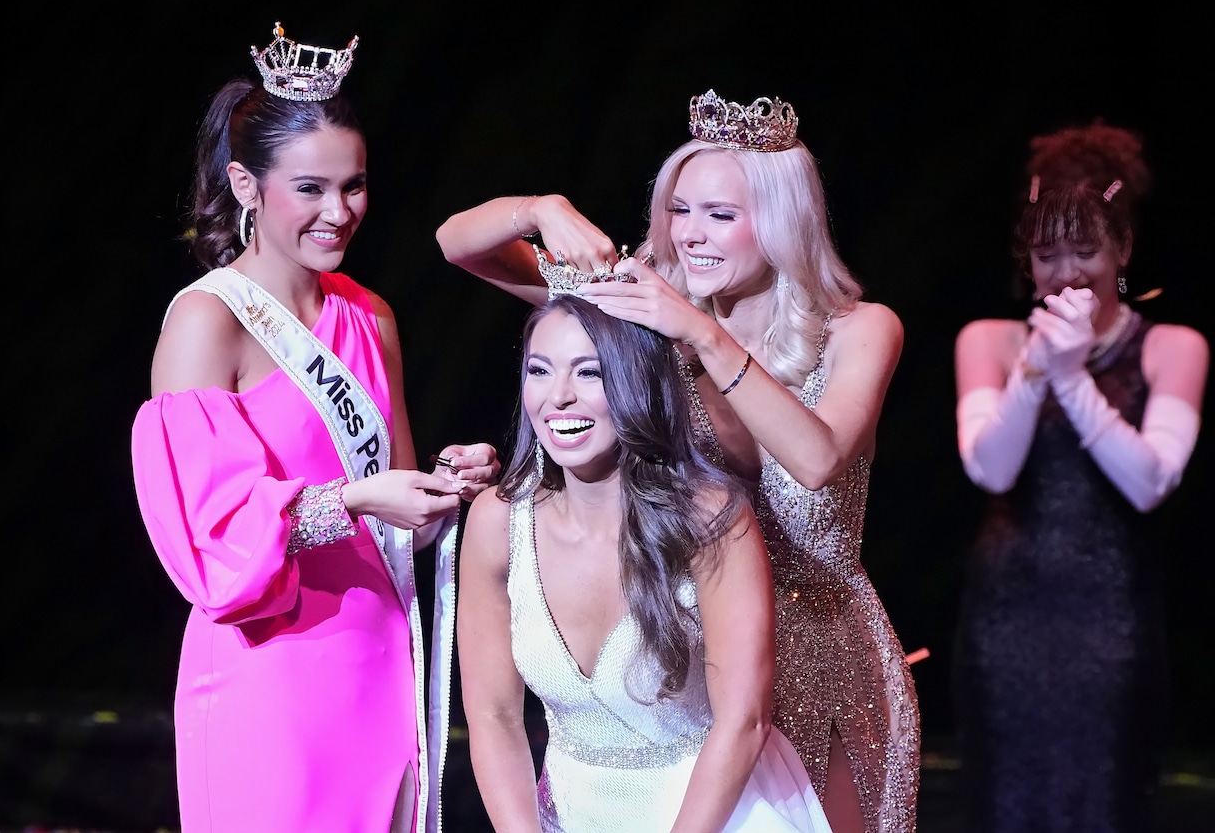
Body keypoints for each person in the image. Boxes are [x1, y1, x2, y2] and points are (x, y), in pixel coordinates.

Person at [437, 89, 919, 833]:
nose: (691, 235)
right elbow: (458, 244)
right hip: (690, 657)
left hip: (824, 652)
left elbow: (817, 458)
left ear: (784, 221)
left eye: (720, 215)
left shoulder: (858, 330)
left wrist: (697, 333)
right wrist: (544, 208)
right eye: (678, 210)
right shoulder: (648, 307)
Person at [130, 22, 499, 832]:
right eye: (312, 189)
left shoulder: (370, 316)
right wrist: (361, 500)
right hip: (269, 674)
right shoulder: (206, 323)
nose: (340, 212)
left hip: (377, 659)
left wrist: (445, 485)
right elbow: (209, 542)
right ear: (245, 183)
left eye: (355, 185)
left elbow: (402, 521)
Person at [456, 282, 834, 832]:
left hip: (714, 813)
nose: (558, 396)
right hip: (572, 814)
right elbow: (493, 717)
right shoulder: (498, 521)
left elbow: (744, 721)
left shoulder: (708, 517)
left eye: (589, 372)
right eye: (539, 370)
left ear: (637, 382)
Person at [952, 120, 1208, 832]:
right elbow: (989, 466)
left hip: (1110, 621)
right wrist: (1040, 369)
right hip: (1008, 621)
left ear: (1122, 249)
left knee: (1105, 803)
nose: (1066, 271)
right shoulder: (991, 342)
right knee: (1004, 804)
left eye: (1085, 250)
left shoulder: (1171, 347)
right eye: (1047, 253)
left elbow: (1151, 480)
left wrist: (1073, 377)